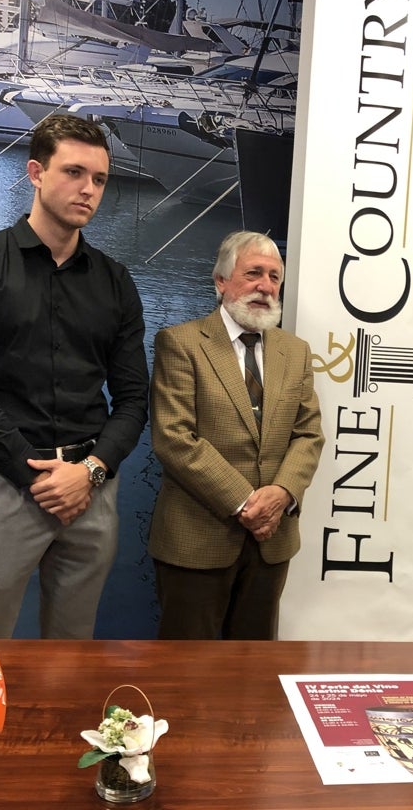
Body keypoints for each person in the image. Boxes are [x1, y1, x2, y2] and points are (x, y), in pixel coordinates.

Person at [0, 114, 149, 639]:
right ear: (35, 172)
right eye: (74, 172)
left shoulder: (115, 282)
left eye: (99, 179)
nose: (89, 189)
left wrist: (92, 472)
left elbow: (132, 400)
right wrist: (37, 479)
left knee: (73, 648)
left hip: (91, 489)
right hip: (10, 484)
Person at [149, 230, 324, 640]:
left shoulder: (294, 352)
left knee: (254, 671)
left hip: (271, 543)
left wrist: (281, 493)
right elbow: (175, 438)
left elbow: (308, 434)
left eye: (275, 277)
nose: (266, 286)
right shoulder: (181, 343)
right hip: (196, 539)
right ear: (221, 281)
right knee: (186, 671)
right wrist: (247, 503)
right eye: (253, 273)